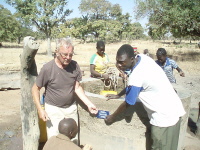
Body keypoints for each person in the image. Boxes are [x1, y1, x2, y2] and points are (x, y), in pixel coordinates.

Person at [105, 44, 186, 150]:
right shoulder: (143, 58)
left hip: (163, 120)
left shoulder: (136, 75)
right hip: (175, 110)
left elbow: (128, 103)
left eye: (122, 62)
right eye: (117, 61)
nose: (118, 65)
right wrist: (119, 95)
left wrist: (112, 118)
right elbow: (133, 86)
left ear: (132, 59)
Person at [32, 38, 98, 144]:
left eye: (71, 55)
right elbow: (35, 88)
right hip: (53, 110)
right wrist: (40, 109)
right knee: (54, 141)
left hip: (70, 109)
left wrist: (89, 104)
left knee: (73, 140)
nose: (68, 58)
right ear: (57, 52)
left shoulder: (74, 66)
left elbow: (77, 87)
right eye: (65, 54)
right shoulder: (48, 68)